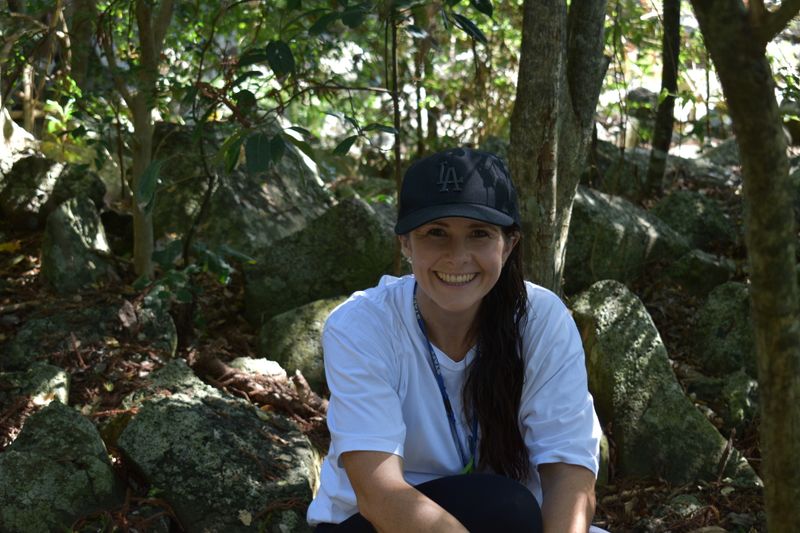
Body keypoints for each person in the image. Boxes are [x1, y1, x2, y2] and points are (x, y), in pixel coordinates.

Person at [307, 147, 602, 532]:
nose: (457, 256)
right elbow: (380, 494)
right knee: (509, 506)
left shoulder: (542, 321)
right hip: (375, 524)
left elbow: (570, 474)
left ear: (509, 244)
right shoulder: (363, 325)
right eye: (436, 233)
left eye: (479, 234)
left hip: (503, 522)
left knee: (512, 510)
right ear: (405, 243)